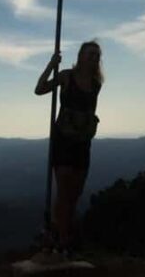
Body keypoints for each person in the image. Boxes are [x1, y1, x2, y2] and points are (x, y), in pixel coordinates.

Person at [34, 41, 103, 256]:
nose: (93, 58)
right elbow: (39, 89)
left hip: (83, 142)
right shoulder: (66, 76)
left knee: (75, 192)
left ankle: (62, 233)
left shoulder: (95, 83)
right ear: (80, 56)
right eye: (90, 54)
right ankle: (61, 238)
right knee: (64, 191)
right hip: (63, 139)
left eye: (96, 55)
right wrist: (51, 64)